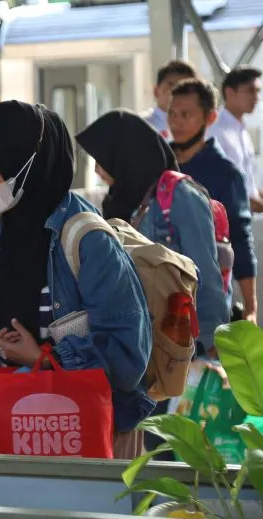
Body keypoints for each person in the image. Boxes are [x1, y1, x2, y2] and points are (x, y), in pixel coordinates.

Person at [0, 101, 153, 459]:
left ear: (27, 164)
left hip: (88, 432)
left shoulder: (86, 238)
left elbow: (128, 352)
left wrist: (44, 357)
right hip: (15, 420)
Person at [76, 109, 228, 355]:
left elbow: (206, 275)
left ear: (125, 155)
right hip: (137, 343)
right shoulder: (118, 201)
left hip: (180, 343)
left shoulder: (180, 197)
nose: (96, 171)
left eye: (102, 161)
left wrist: (211, 343)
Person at [169, 78, 258, 324]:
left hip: (208, 300)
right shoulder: (158, 165)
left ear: (211, 117)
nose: (176, 122)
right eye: (172, 114)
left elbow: (240, 238)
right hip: (159, 293)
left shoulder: (226, 174)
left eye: (186, 115)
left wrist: (250, 307)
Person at [208, 66, 263, 213]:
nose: (256, 98)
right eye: (251, 90)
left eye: (258, 91)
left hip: (243, 216)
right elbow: (217, 183)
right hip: (225, 217)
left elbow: (248, 186)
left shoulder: (242, 131)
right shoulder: (215, 128)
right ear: (230, 92)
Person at [142, 60, 197, 139]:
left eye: (185, 88)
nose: (178, 92)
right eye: (172, 86)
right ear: (156, 91)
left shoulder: (204, 128)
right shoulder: (141, 126)